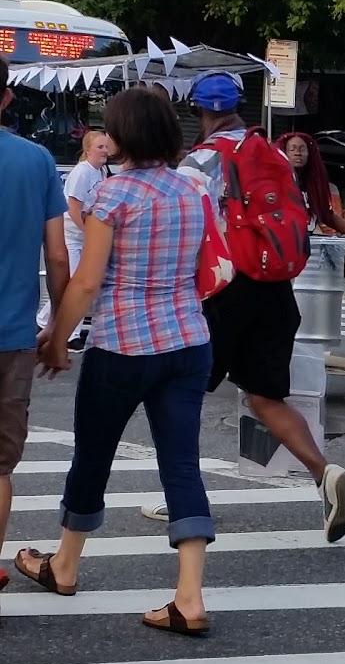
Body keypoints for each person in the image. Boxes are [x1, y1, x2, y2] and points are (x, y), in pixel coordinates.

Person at [14, 87, 216, 634]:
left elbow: (86, 279)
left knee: (93, 456)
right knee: (181, 464)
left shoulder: (112, 195)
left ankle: (66, 564)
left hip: (122, 345)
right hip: (188, 341)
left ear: (122, 136)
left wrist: (58, 336)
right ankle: (189, 596)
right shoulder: (193, 189)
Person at [179, 73, 345, 542]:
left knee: (182, 392)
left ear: (199, 110)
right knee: (265, 397)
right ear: (239, 105)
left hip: (224, 291)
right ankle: (325, 473)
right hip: (276, 287)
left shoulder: (200, 160)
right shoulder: (274, 153)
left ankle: (182, 495)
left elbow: (185, 224)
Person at [0, 56, 70, 594]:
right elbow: (59, 257)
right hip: (14, 337)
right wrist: (57, 331)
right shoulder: (37, 160)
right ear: (6, 99)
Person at [36, 129, 109, 348]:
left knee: (72, 282)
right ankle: (70, 334)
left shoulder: (101, 172)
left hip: (83, 234)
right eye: (100, 147)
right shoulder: (82, 172)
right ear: (87, 150)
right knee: (72, 282)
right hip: (71, 234)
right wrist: (91, 233)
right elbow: (73, 207)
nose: (105, 151)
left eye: (106, 147)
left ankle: (45, 321)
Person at [277, 132, 345, 237]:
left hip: (307, 241)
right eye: (292, 149)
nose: (298, 153)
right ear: (284, 153)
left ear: (309, 153)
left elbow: (327, 215)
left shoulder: (314, 186)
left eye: (302, 149)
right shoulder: (275, 183)